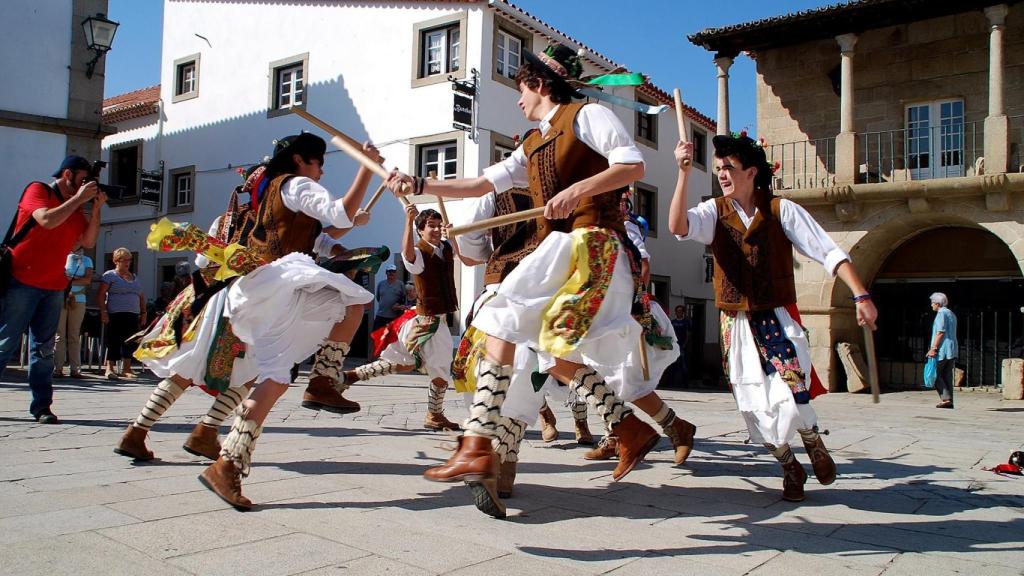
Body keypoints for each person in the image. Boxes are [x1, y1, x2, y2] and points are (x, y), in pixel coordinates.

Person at [388, 43, 669, 518]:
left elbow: (632, 164)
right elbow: (481, 185)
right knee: (504, 324)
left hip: (595, 246)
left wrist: (577, 190)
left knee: (506, 321)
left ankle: (482, 446)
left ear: (539, 85)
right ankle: (494, 444)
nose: (518, 101)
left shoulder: (587, 115)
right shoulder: (532, 142)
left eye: (521, 90)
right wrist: (420, 185)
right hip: (561, 252)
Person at [669, 133, 878, 502]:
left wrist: (860, 294)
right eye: (718, 168)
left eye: (729, 167)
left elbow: (828, 252)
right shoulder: (713, 212)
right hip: (735, 323)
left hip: (776, 318)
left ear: (751, 172)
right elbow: (677, 227)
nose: (722, 174)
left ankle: (812, 442)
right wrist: (683, 173)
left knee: (791, 392)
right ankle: (789, 467)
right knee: (754, 404)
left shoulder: (782, 209)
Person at [193, 132, 378, 510]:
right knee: (354, 299)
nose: (321, 171)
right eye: (318, 163)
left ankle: (226, 464)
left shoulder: (280, 193)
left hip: (263, 289)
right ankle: (323, 379)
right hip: (274, 284)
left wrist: (351, 218)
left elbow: (332, 228)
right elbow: (338, 214)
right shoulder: (295, 184)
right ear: (299, 160)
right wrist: (366, 168)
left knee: (275, 377)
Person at [329, 206, 462, 431]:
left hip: (429, 319)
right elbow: (407, 253)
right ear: (420, 230)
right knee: (440, 369)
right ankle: (435, 414)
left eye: (439, 225)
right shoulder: (418, 252)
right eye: (431, 226)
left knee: (401, 364)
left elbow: (458, 253)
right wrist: (408, 221)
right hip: (429, 321)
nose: (437, 230)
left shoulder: (445, 248)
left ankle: (350, 376)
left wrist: (453, 235)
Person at [0, 155, 105, 423]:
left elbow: (86, 241)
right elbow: (46, 219)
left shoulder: (76, 207)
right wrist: (79, 200)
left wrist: (95, 209)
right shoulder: (38, 190)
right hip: (21, 280)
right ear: (67, 174)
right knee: (5, 343)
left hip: (53, 286)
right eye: (83, 180)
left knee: (44, 350)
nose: (85, 185)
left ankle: (42, 407)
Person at [97, 247, 146, 379]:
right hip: (115, 313)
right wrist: (103, 311)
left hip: (132, 314)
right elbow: (101, 294)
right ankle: (110, 368)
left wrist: (143, 312)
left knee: (130, 340)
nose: (127, 262)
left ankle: (127, 368)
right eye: (124, 260)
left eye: (129, 260)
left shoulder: (135, 277)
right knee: (113, 340)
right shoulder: (110, 276)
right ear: (116, 261)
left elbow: (141, 296)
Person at [53, 246, 94, 378]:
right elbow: (58, 276)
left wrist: (70, 278)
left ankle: (75, 369)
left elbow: (87, 280)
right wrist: (75, 279)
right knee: (59, 334)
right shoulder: (63, 257)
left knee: (74, 334)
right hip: (62, 296)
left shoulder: (87, 260)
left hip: (79, 298)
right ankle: (57, 368)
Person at [927, 292, 957, 409]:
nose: (931, 305)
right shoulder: (951, 314)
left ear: (938, 304)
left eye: (932, 303)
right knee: (947, 375)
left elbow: (940, 332)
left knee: (935, 374)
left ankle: (946, 399)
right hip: (952, 349)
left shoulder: (941, 314)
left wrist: (933, 348)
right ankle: (949, 400)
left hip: (942, 349)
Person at [372, 263, 407, 331]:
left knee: (392, 338)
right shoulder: (381, 284)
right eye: (389, 271)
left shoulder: (400, 284)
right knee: (376, 335)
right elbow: (378, 298)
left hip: (394, 316)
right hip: (381, 315)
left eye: (393, 271)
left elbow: (403, 298)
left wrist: (398, 305)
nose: (391, 273)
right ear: (386, 272)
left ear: (396, 272)